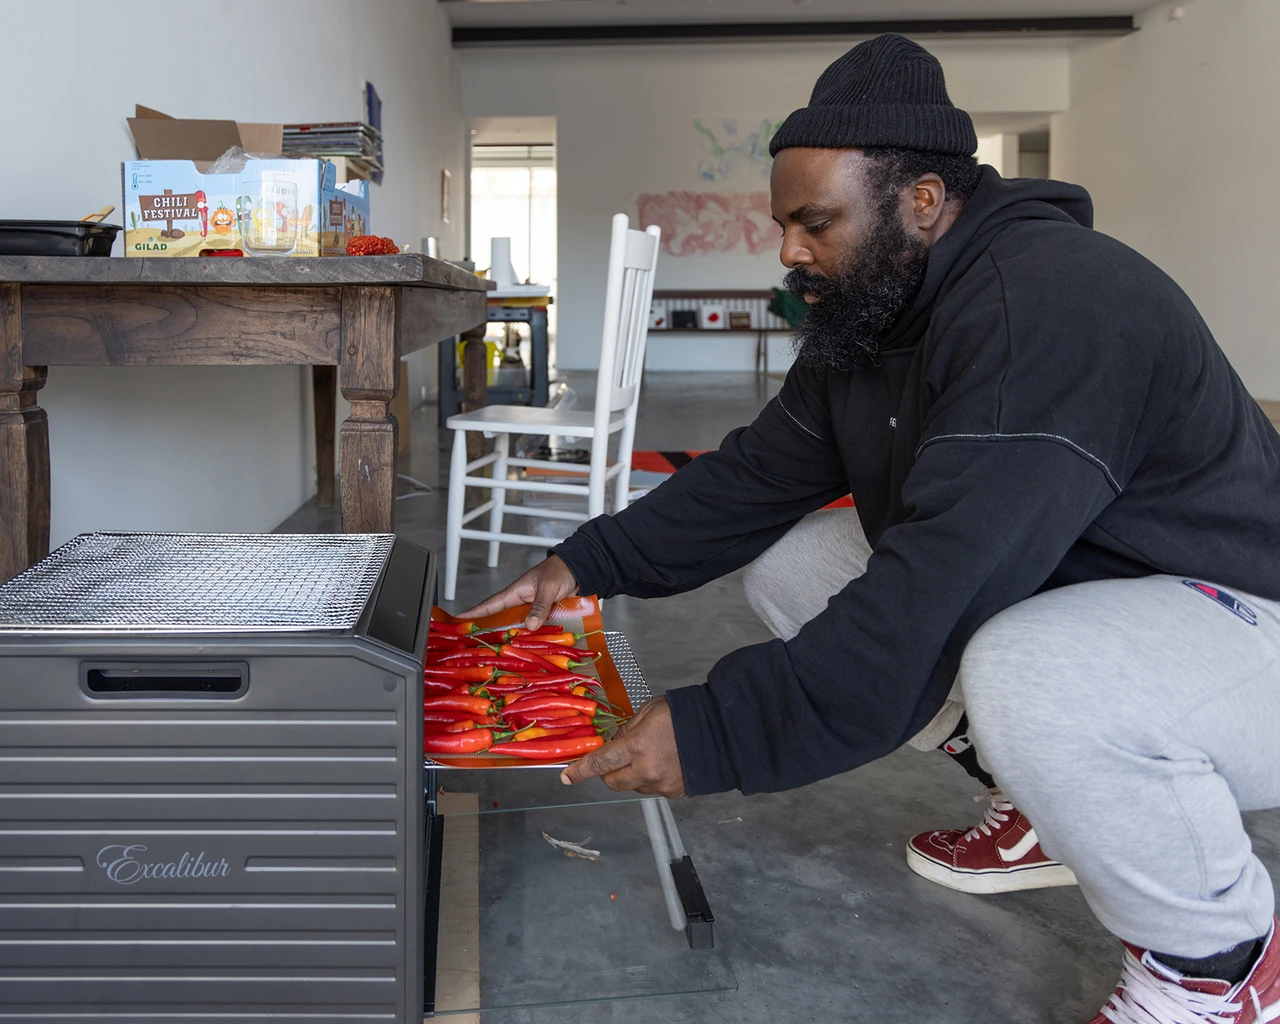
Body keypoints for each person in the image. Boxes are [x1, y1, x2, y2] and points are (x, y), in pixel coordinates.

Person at [463, 33, 1280, 1024]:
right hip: (1094, 584)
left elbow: (934, 584)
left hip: (1240, 623)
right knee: (798, 561)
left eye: (814, 222)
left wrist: (720, 726)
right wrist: (581, 562)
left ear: (922, 203)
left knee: (1032, 670)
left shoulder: (1052, 303)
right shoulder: (871, 312)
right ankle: (1047, 805)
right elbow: (757, 477)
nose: (788, 250)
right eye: (782, 223)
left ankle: (1217, 969)